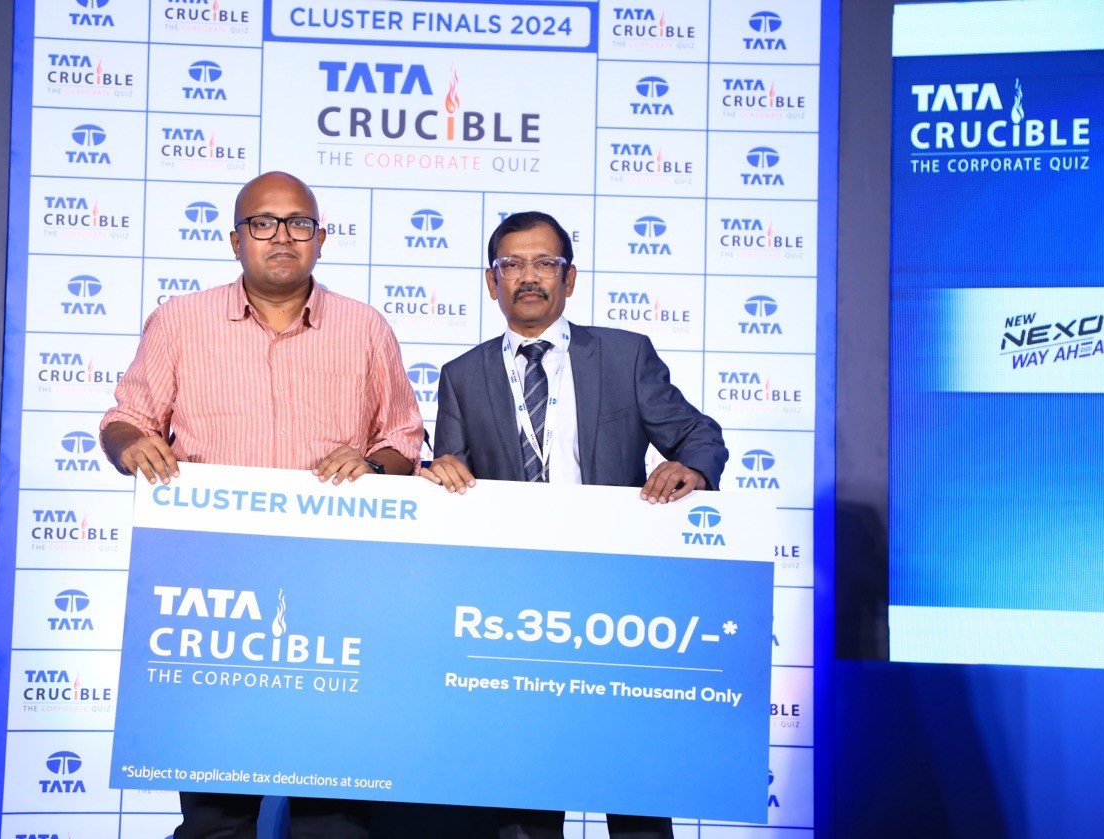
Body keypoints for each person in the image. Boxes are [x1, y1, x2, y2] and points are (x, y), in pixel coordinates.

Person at [100, 171, 423, 839]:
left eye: (298, 223)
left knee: (334, 811)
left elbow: (403, 439)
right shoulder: (180, 321)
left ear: (321, 238)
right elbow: (125, 418)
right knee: (218, 810)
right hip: (216, 595)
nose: (282, 236)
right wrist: (132, 444)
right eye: (263, 223)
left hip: (337, 591)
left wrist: (372, 465)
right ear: (235, 239)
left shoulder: (365, 327)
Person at [420, 210, 728, 839]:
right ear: (491, 281)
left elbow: (700, 434)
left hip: (616, 604)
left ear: (570, 277)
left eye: (544, 263)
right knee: (528, 793)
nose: (528, 277)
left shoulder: (623, 355)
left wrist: (691, 468)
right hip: (518, 613)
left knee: (633, 790)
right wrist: (438, 474)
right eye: (511, 265)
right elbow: (455, 477)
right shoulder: (461, 375)